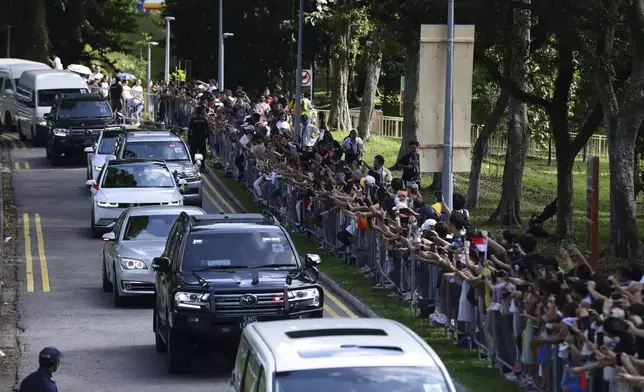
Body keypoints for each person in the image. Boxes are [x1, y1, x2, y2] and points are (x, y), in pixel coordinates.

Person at [188, 106, 209, 172]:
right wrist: (207, 138)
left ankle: (192, 165)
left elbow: (189, 130)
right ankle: (202, 167)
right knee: (202, 153)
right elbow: (207, 130)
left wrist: (189, 139)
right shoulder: (204, 120)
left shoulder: (193, 119)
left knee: (193, 153)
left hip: (194, 138)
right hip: (202, 139)